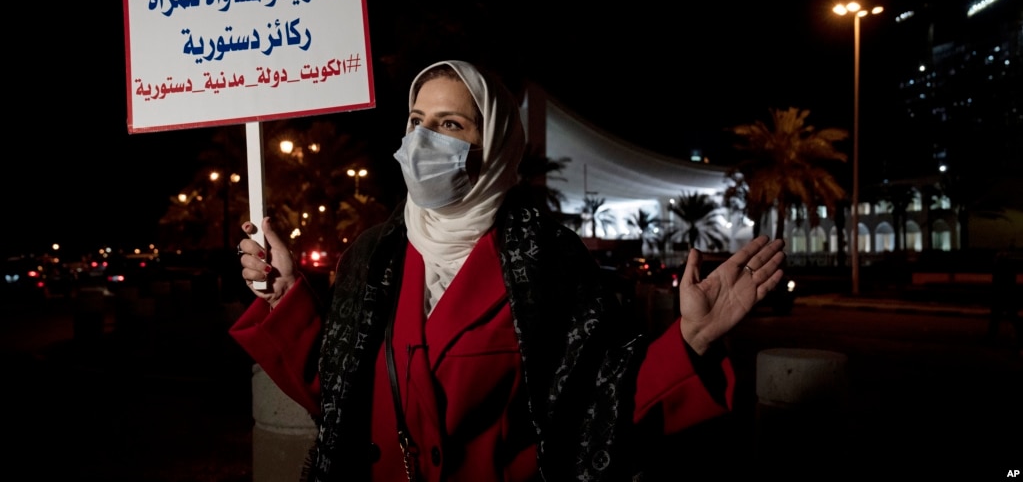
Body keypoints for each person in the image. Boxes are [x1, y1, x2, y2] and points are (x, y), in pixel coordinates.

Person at [230, 60, 786, 482]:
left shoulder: (551, 261)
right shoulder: (372, 257)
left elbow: (602, 402)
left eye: (450, 124)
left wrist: (690, 338)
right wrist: (285, 299)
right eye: (416, 120)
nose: (423, 140)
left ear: (494, 145)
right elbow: (339, 394)